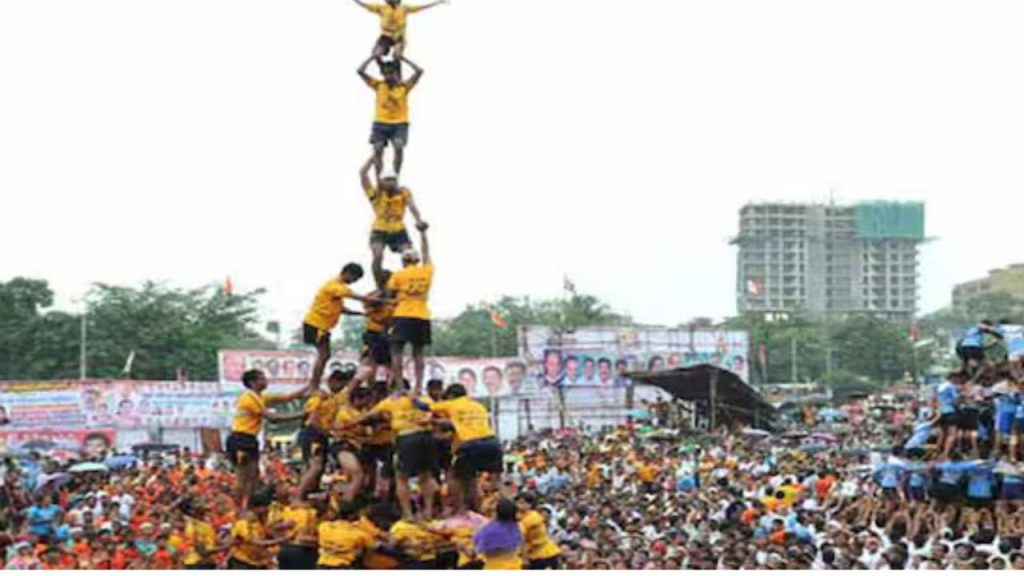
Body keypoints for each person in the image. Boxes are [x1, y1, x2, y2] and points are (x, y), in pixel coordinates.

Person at [226, 369, 311, 506]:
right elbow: (272, 418)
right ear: (252, 382)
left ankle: (246, 505)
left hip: (249, 440)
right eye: (262, 378)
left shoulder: (260, 397)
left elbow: (288, 397)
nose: (265, 381)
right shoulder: (249, 397)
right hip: (240, 439)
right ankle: (237, 508)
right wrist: (301, 415)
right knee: (243, 477)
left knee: (254, 475)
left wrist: (311, 384)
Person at [430, 383, 503, 513]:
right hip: (492, 442)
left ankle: (459, 511)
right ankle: (498, 511)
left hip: (470, 445)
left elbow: (426, 408)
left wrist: (431, 421)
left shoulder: (452, 405)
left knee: (454, 476)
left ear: (451, 396)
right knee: (486, 480)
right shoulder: (478, 406)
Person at [302, 264, 375, 391]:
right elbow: (351, 295)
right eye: (354, 278)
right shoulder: (333, 286)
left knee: (325, 355)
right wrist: (371, 299)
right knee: (323, 355)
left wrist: (361, 313)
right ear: (348, 273)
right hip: (316, 325)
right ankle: (313, 384)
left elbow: (341, 309)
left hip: (320, 326)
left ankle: (314, 383)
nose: (353, 282)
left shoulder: (337, 288)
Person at [358, 55, 423, 177]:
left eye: (391, 74)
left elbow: (419, 71)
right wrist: (373, 57)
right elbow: (360, 71)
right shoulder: (379, 85)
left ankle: (395, 176)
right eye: (386, 74)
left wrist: (403, 58)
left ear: (396, 74)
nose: (388, 77)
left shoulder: (404, 86)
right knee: (378, 148)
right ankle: (379, 178)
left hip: (399, 123)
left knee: (398, 146)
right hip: (381, 122)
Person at [387, 223, 433, 393]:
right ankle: (418, 386)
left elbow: (390, 295)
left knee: (396, 351)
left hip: (402, 315)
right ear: (417, 260)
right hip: (422, 315)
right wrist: (423, 234)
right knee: (418, 353)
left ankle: (400, 387)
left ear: (403, 261)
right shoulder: (427, 271)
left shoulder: (398, 275)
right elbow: (427, 252)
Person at [298, 369, 355, 498]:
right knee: (315, 466)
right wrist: (328, 433)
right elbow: (313, 420)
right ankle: (298, 495)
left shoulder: (336, 398)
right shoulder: (318, 397)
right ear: (331, 381)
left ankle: (311, 492)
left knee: (321, 466)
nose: (342, 387)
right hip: (313, 434)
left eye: (344, 384)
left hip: (322, 435)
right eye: (340, 383)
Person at [351, 0, 448, 59]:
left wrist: (436, 3)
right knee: (376, 54)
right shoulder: (382, 8)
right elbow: (366, 5)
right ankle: (383, 66)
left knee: (397, 55)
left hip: (399, 36)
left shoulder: (404, 9)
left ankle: (397, 68)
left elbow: (420, 8)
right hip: (386, 35)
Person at [228, 491, 289, 569]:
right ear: (254, 508)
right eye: (264, 507)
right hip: (241, 563)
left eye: (267, 507)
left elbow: (270, 537)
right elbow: (255, 542)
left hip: (257, 563)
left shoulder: (262, 523)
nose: (267, 510)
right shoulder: (243, 523)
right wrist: (280, 540)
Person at [269, 489, 320, 570]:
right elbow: (272, 527)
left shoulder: (313, 511)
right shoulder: (286, 509)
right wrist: (283, 525)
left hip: (304, 548)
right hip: (292, 546)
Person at [317, 501, 376, 569]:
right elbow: (371, 548)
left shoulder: (323, 527)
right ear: (352, 516)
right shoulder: (359, 534)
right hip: (344, 566)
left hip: (322, 565)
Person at [473, 499, 524, 570]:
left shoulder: (488, 531)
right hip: (515, 565)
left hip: (494, 566)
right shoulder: (518, 527)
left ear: (497, 512)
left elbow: (476, 542)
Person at [180, 499, 227, 570]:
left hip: (209, 562)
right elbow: (202, 551)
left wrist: (231, 542)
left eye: (205, 511)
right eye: (202, 511)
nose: (206, 513)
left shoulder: (207, 525)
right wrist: (226, 546)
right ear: (195, 512)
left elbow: (216, 542)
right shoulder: (193, 526)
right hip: (197, 563)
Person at [517, 493, 561, 570]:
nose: (519, 504)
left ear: (530, 505)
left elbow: (522, 540)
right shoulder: (522, 515)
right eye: (518, 502)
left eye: (523, 502)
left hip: (545, 555)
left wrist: (524, 559)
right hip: (533, 555)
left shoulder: (533, 517)